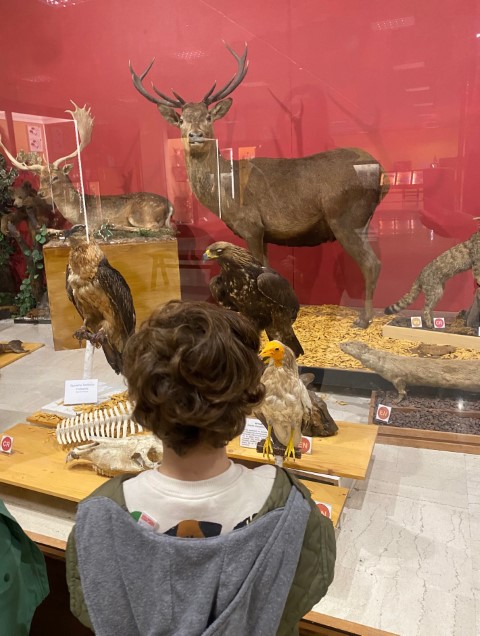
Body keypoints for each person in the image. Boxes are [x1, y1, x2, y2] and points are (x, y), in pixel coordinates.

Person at [66, 300, 336, 636]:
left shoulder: (98, 517)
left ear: (139, 401)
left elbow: (92, 603)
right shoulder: (293, 508)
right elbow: (305, 584)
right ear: (248, 398)